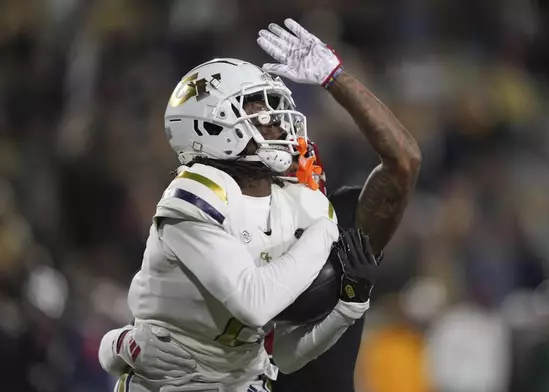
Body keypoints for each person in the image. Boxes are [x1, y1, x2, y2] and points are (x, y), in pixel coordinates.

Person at [99, 18, 421, 392]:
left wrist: (334, 77)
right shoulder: (207, 198)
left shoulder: (319, 213)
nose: (284, 130)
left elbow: (403, 162)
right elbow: (248, 304)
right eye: (265, 115)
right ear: (215, 128)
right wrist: (119, 345)